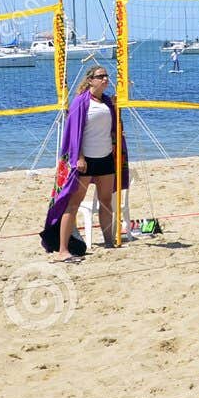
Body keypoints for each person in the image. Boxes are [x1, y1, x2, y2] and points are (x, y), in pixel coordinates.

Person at [43, 65, 129, 261]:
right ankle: (63, 250)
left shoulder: (107, 101)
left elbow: (114, 127)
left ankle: (108, 242)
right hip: (86, 160)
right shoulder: (81, 102)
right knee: (73, 204)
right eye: (101, 76)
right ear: (91, 80)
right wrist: (79, 157)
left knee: (106, 201)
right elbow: (74, 133)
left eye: (107, 76)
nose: (106, 79)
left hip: (105, 157)